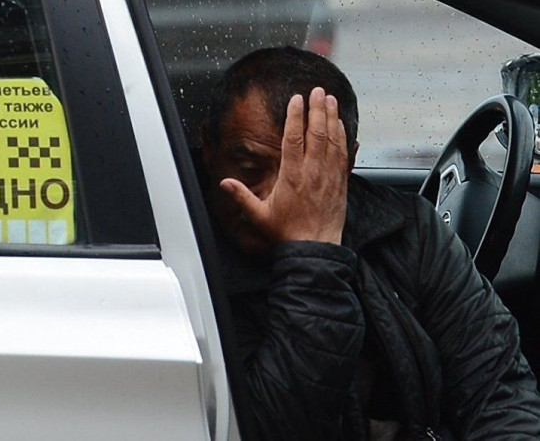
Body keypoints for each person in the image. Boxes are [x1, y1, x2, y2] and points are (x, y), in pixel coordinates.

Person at [201, 46, 540, 440]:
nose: (279, 199)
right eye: (249, 169)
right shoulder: (182, 256)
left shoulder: (408, 231)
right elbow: (274, 428)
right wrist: (312, 254)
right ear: (208, 149)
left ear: (346, 162)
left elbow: (497, 391)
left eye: (310, 173)